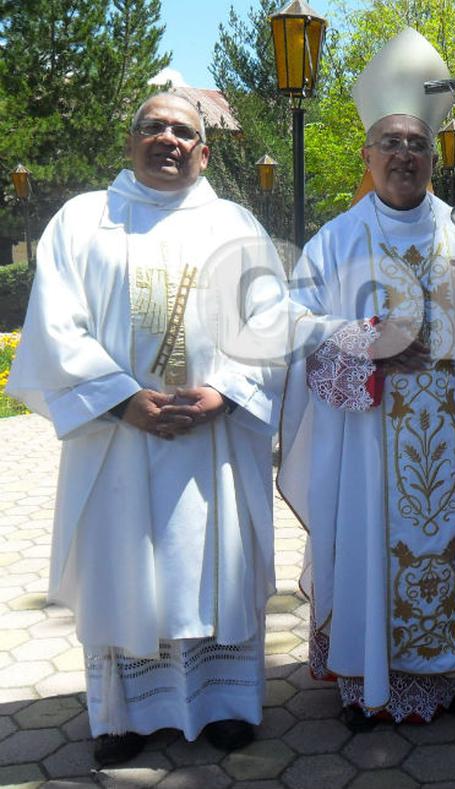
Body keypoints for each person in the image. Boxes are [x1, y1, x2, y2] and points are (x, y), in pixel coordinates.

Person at [6, 92, 285, 765]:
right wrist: (121, 398)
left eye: (182, 130)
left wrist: (225, 392)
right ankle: (124, 716)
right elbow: (55, 324)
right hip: (118, 440)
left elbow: (271, 320)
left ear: (205, 150)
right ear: (129, 142)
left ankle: (224, 704)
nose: (167, 138)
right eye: (152, 126)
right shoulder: (83, 221)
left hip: (211, 438)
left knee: (212, 568)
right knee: (121, 572)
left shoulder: (235, 224)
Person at [277, 28, 455, 731]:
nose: (405, 156)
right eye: (391, 143)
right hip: (368, 443)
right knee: (366, 543)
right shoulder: (337, 240)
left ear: (436, 154)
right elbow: (293, 324)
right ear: (368, 155)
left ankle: (452, 670)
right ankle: (366, 678)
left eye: (418, 143)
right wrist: (362, 341)